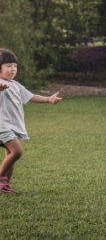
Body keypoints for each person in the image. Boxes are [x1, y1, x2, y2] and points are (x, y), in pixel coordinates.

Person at [0, 48, 62, 194]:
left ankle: (4, 186)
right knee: (17, 151)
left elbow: (30, 96)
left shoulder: (15, 85)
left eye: (15, 66)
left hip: (11, 126)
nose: (13, 69)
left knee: (11, 153)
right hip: (2, 126)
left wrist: (48, 99)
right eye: (8, 66)